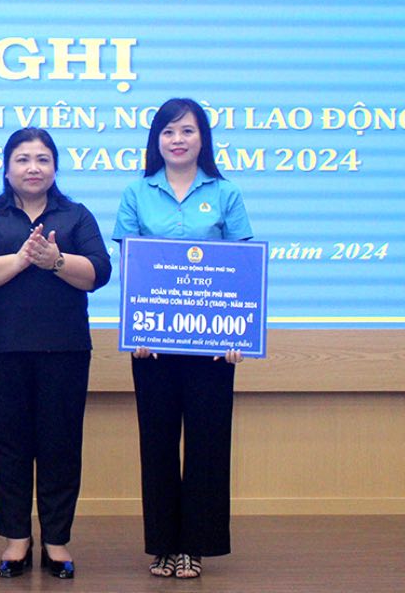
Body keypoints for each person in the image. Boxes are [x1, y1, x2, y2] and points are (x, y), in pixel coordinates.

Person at [0, 127, 111, 580]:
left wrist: (56, 261)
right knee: (8, 444)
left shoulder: (77, 215)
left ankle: (57, 540)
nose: (32, 167)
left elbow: (99, 272)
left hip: (64, 349)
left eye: (42, 159)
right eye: (22, 159)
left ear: (55, 167)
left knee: (61, 444)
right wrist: (25, 258)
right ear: (6, 168)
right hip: (3, 349)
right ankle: (16, 539)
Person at [112, 98, 252, 580]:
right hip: (153, 344)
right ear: (156, 140)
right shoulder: (136, 193)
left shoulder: (226, 193)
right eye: (168, 131)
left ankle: (196, 544)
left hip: (213, 345)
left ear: (202, 139)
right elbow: (131, 264)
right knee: (157, 442)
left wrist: (240, 335)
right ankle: (163, 545)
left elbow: (241, 269)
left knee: (208, 443)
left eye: (187, 131)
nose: (177, 139)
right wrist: (136, 327)